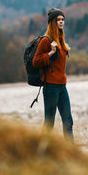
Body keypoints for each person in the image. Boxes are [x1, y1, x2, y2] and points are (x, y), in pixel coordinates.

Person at [32, 8, 73, 140]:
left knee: (68, 121)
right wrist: (50, 52)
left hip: (62, 86)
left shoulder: (61, 39)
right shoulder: (46, 41)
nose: (61, 22)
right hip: (50, 87)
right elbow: (35, 61)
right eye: (58, 20)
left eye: (62, 19)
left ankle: (71, 152)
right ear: (52, 22)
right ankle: (44, 151)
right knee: (49, 123)